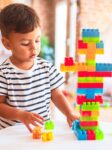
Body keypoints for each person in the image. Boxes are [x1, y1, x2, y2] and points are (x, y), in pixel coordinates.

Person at [0, 3, 79, 132]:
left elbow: (57, 94)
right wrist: (20, 115)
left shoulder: (46, 68)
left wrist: (69, 113)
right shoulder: (4, 73)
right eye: (25, 43)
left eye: (37, 40)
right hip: (12, 133)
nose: (34, 47)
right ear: (7, 43)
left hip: (41, 130)